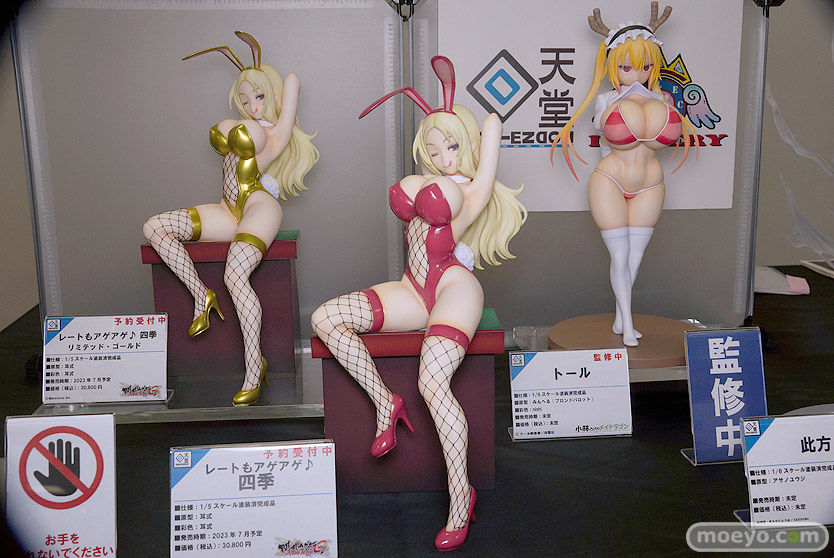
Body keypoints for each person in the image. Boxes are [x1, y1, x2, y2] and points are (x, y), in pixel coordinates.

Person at [311, 56, 525, 551]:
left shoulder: (472, 191)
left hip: (454, 285)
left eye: (452, 146)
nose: (443, 157)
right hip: (412, 286)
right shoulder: (424, 185)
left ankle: (460, 495)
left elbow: (489, 144)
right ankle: (385, 401)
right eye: (433, 149)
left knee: (433, 381)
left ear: (466, 144)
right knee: (326, 318)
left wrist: (485, 125)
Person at [143, 31, 318, 405]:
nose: (252, 106)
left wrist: (277, 82)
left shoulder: (275, 133)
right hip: (227, 207)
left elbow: (291, 87)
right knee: (155, 227)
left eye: (259, 96)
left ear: (270, 96)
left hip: (258, 204)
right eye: (245, 98)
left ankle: (255, 366)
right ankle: (201, 295)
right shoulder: (237, 125)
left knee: (235, 276)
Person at [552, 3, 695, 347]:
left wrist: (648, 98)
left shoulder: (661, 97)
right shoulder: (605, 101)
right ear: (613, 65)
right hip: (611, 182)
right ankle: (628, 325)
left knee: (635, 257)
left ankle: (621, 315)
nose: (637, 73)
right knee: (620, 256)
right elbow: (602, 128)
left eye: (645, 65)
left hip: (651, 184)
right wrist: (630, 100)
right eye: (627, 66)